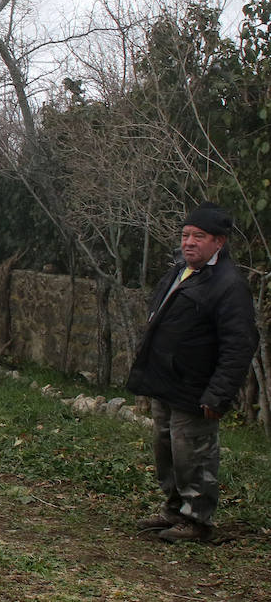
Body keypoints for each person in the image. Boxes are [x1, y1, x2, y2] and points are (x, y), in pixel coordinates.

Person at [126, 201, 258, 543]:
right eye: (185, 235)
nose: (189, 242)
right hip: (166, 382)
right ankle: (173, 510)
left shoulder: (228, 285)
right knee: (166, 449)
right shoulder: (179, 271)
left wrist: (218, 394)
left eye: (198, 236)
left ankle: (197, 520)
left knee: (193, 453)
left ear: (219, 242)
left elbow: (239, 345)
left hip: (196, 389)